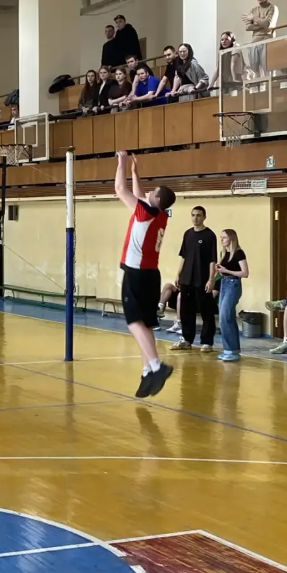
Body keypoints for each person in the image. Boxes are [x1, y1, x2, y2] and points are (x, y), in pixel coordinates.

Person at [115, 151, 176, 397]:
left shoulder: (145, 212)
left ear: (157, 198)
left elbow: (120, 189)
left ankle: (157, 366)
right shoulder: (160, 215)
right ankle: (147, 370)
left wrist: (121, 161)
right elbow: (141, 196)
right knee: (146, 323)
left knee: (133, 322)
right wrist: (135, 172)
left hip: (136, 273)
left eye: (153, 191)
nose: (148, 192)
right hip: (152, 274)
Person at [173, 206, 217, 352]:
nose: (195, 218)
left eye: (198, 215)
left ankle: (207, 342)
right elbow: (184, 256)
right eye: (193, 215)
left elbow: (212, 260)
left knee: (206, 311)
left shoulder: (210, 235)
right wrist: (178, 274)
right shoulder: (187, 234)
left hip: (202, 279)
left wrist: (211, 279)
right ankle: (186, 339)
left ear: (204, 217)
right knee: (186, 311)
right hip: (187, 279)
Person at [216, 229, 249, 362]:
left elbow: (245, 273)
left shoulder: (239, 253)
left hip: (233, 285)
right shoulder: (224, 253)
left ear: (231, 238)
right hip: (224, 284)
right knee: (224, 317)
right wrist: (220, 271)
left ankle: (232, 350)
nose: (221, 240)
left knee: (225, 316)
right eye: (221, 237)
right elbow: (224, 271)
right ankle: (229, 350)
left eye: (224, 237)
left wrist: (227, 270)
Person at [242, 0, 278, 78]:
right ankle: (256, 87)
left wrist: (254, 19)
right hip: (254, 42)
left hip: (267, 40)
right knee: (254, 71)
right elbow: (248, 27)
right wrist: (261, 23)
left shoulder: (272, 8)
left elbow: (267, 24)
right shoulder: (253, 10)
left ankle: (268, 86)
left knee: (267, 70)